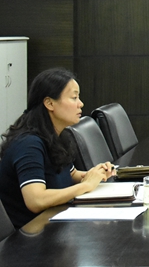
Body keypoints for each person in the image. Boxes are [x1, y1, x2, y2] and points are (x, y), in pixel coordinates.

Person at [0, 68, 114, 229]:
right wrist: (85, 186)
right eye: (74, 97)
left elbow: (71, 174)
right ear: (49, 103)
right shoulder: (28, 144)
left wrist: (96, 173)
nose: (80, 104)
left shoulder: (57, 135)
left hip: (54, 224)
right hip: (29, 236)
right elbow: (36, 200)